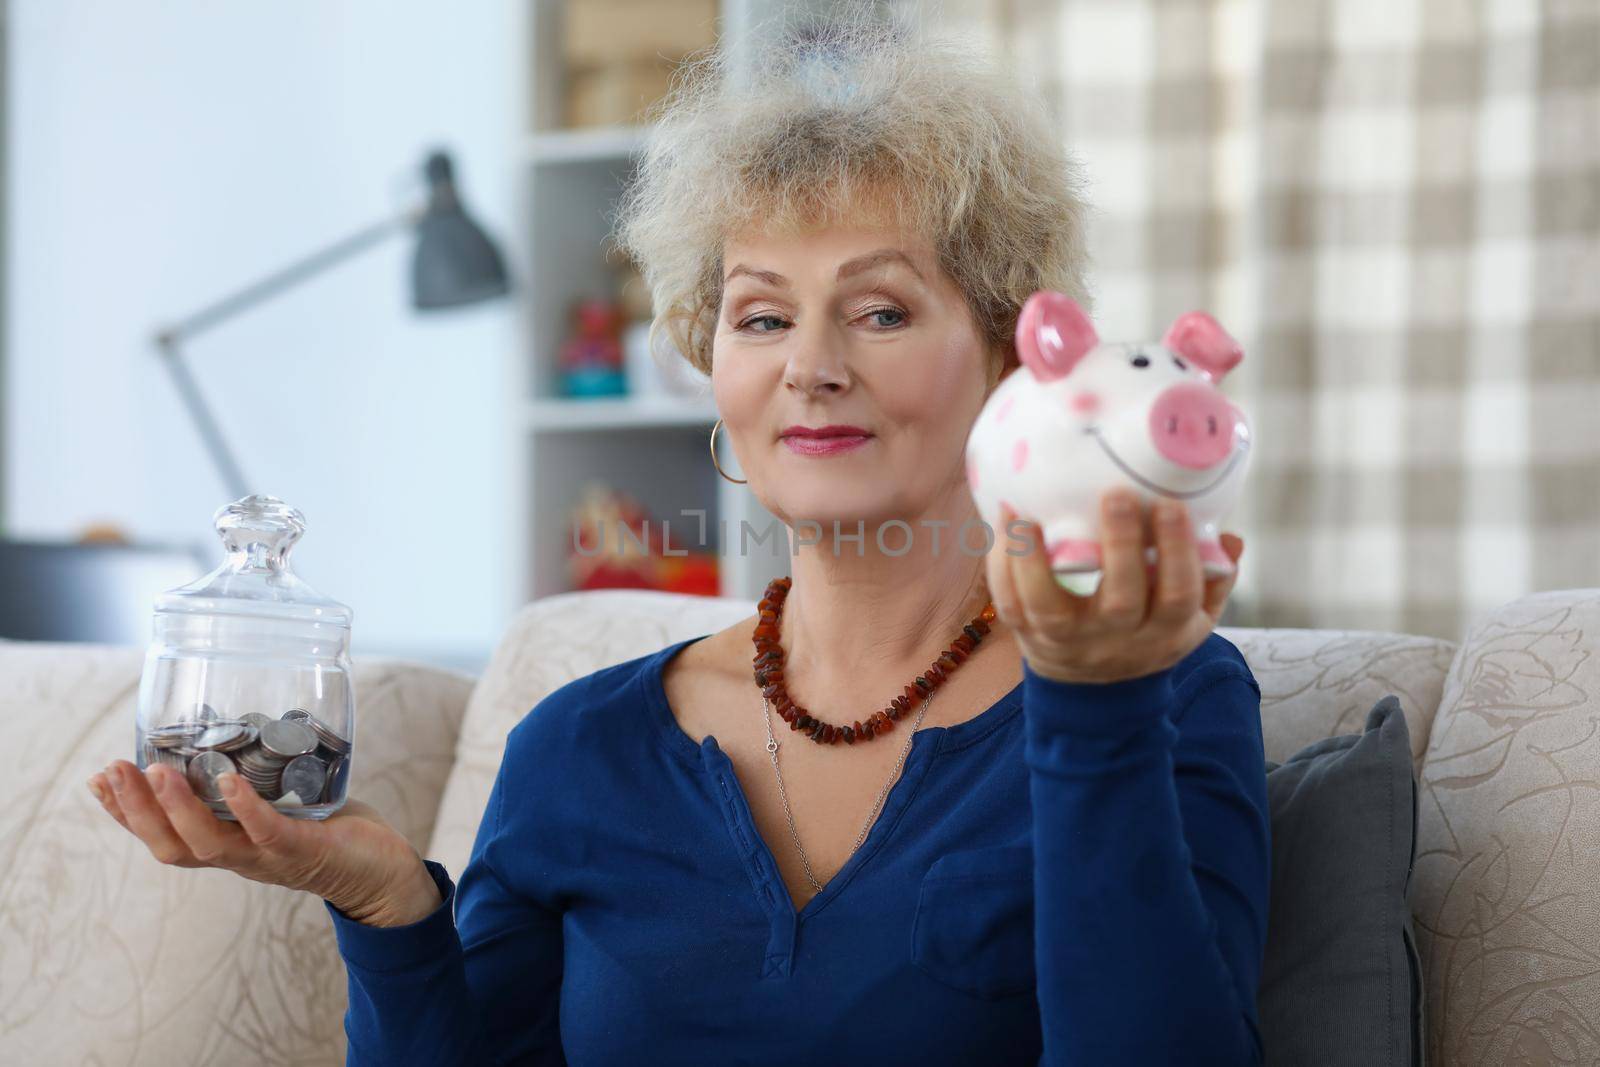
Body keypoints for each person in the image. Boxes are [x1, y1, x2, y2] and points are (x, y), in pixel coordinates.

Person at [88, 6, 1269, 1064]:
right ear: (715, 363)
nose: (810, 366)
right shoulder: (579, 744)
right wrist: (388, 902)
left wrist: (1093, 705)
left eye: (880, 310)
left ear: (1013, 353)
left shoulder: (1157, 693)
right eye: (761, 315)